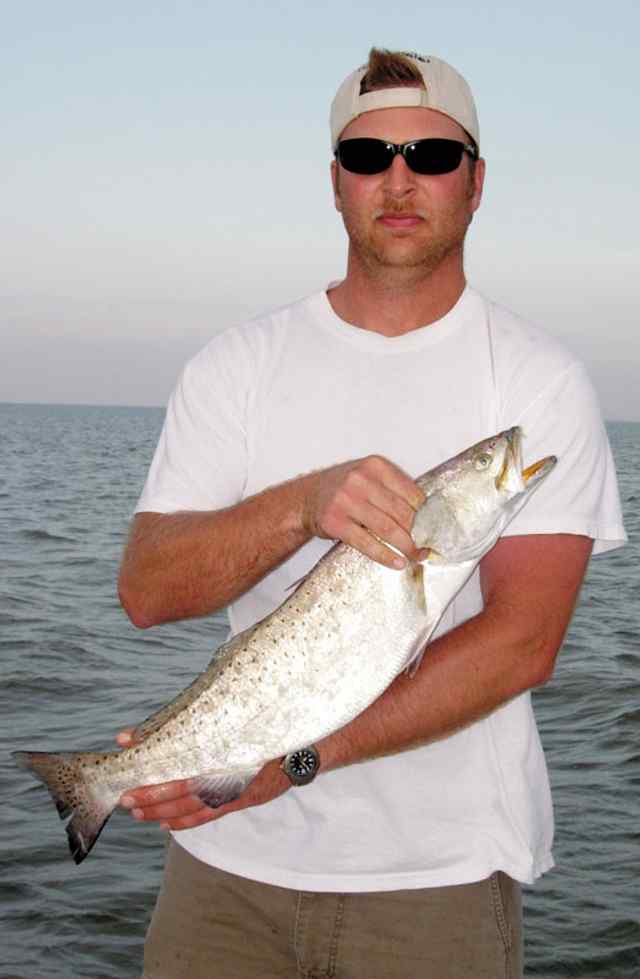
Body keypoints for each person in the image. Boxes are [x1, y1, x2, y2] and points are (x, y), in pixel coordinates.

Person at [117, 48, 626, 979]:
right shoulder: (235, 366)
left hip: (440, 882)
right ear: (335, 184)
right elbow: (147, 591)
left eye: (432, 157)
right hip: (223, 877)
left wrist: (297, 760)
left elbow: (524, 643)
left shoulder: (537, 382)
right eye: (369, 157)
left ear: (476, 185)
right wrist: (304, 506)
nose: (399, 180)